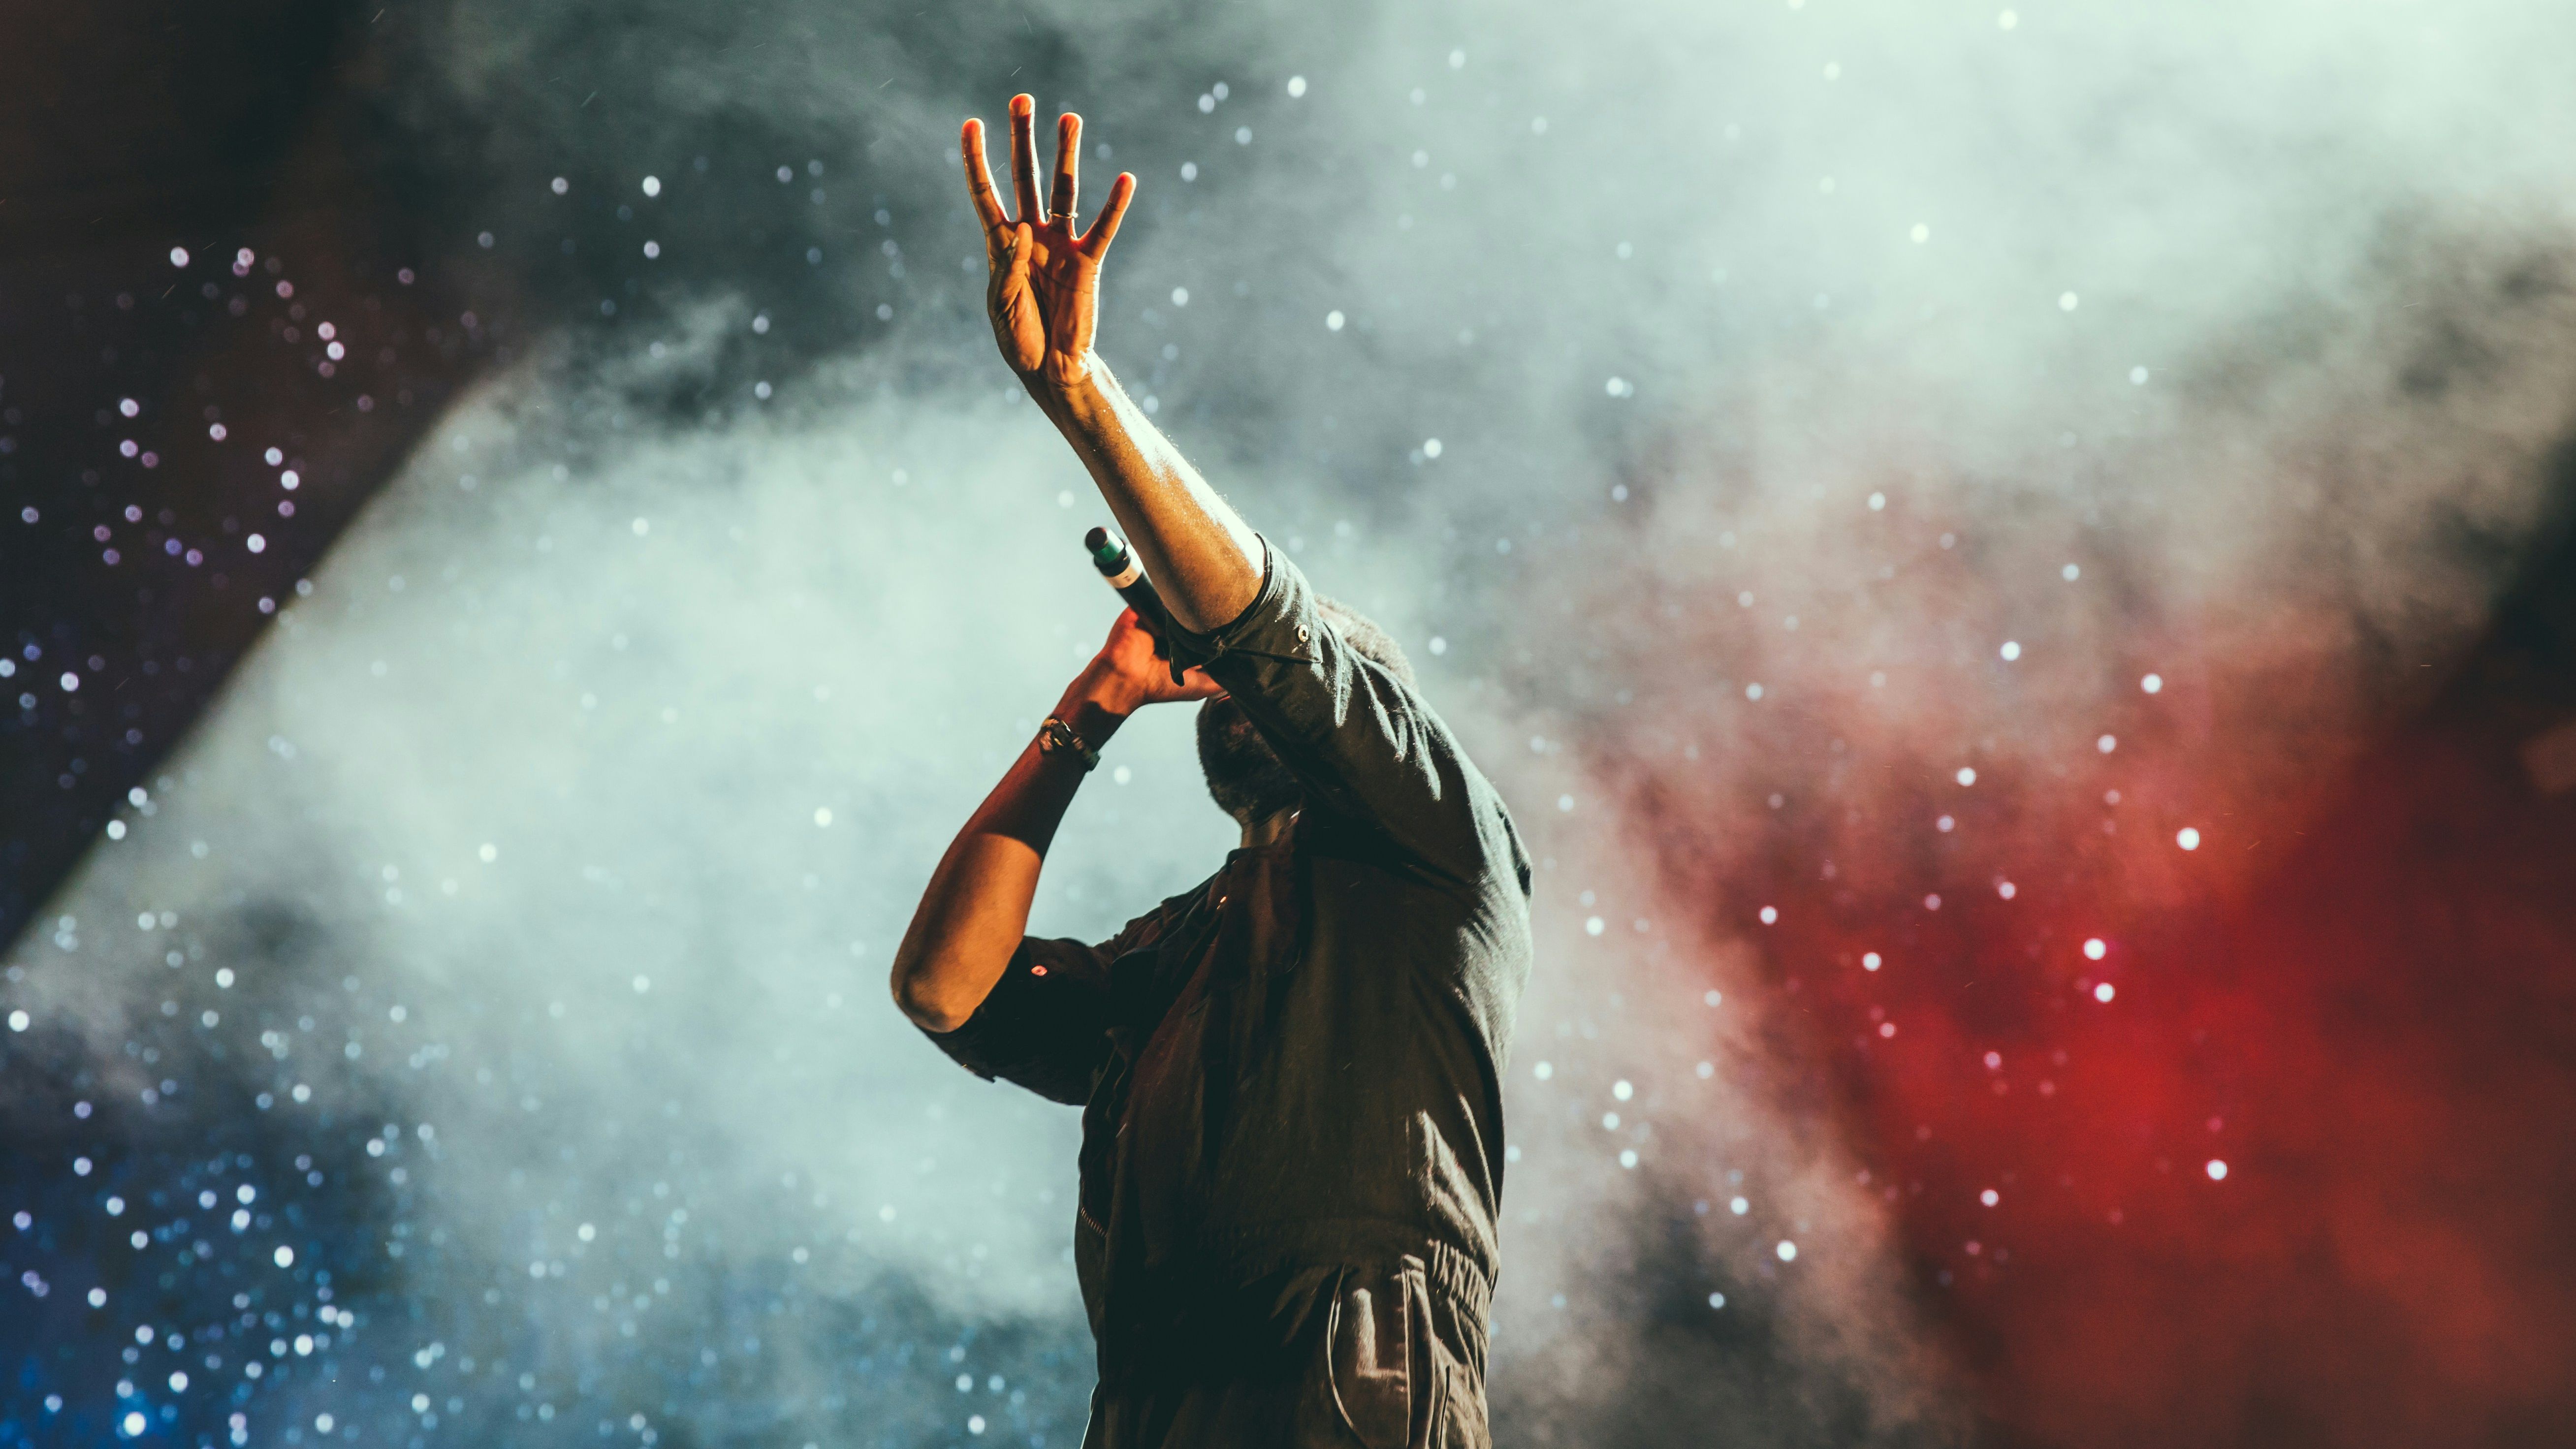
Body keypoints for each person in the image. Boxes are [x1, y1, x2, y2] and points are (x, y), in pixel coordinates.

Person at [890, 94, 1532, 1449]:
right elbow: (946, 990)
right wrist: (1091, 707)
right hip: (1152, 1393)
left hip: (1344, 1363)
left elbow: (1269, 625)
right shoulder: (1178, 945)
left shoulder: (1433, 834)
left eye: (1279, 677)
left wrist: (1080, 395)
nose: (1230, 676)